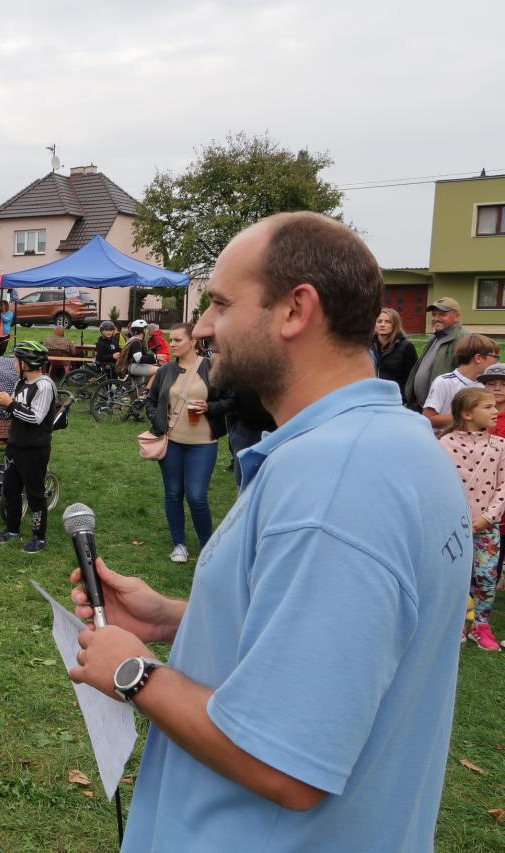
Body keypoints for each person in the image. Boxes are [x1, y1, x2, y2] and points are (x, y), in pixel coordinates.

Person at [68, 212, 470, 852]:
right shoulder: (393, 443)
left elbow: (285, 763)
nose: (203, 326)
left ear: (294, 310)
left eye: (222, 304)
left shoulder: (334, 485)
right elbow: (340, 637)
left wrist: (134, 673)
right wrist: (173, 618)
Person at [146, 323, 235, 562]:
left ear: (193, 341)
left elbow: (231, 400)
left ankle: (207, 546)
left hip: (204, 444)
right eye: (171, 340)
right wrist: (158, 421)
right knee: (173, 493)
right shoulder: (166, 371)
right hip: (172, 443)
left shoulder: (211, 368)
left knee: (196, 496)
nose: (172, 344)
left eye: (177, 340)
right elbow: (150, 401)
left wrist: (210, 407)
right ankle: (179, 544)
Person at [438, 387, 505, 651]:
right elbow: (437, 486)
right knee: (453, 576)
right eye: (488, 407)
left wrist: (489, 517)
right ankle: (454, 625)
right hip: (452, 527)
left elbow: (503, 486)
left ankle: (481, 625)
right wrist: (454, 516)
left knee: (486, 576)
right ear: (467, 413)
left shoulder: (500, 446)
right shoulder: (444, 445)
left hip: (487, 528)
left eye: (495, 406)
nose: (495, 411)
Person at [0, 340, 55, 553]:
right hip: (15, 446)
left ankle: (39, 536)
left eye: (16, 361)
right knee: (10, 489)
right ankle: (12, 529)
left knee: (35, 494)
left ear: (26, 363)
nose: (14, 365)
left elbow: (35, 418)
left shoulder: (44, 386)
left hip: (34, 450)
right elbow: (16, 413)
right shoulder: (20, 383)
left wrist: (10, 404)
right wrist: (4, 405)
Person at [421, 333, 499, 430]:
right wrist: (470, 417)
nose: (497, 362)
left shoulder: (487, 383)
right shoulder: (444, 382)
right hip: (447, 437)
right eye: (495, 357)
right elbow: (429, 418)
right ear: (478, 358)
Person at [405, 296, 469, 411]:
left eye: (442, 314)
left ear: (457, 316)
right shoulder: (435, 337)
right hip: (422, 405)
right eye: (434, 315)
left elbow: (466, 378)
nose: (436, 318)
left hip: (442, 409)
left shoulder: (463, 340)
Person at [370, 307, 416, 392]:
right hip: (373, 394)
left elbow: (412, 378)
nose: (382, 325)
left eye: (388, 322)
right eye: (379, 321)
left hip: (396, 396)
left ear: (395, 325)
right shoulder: (368, 346)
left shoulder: (406, 347)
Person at [117, 318, 157, 386]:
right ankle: (147, 390)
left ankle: (144, 388)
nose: (147, 331)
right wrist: (155, 357)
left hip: (133, 365)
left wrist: (156, 359)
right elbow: (139, 359)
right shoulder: (136, 342)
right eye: (146, 329)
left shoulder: (136, 340)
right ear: (143, 330)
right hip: (132, 366)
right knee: (159, 370)